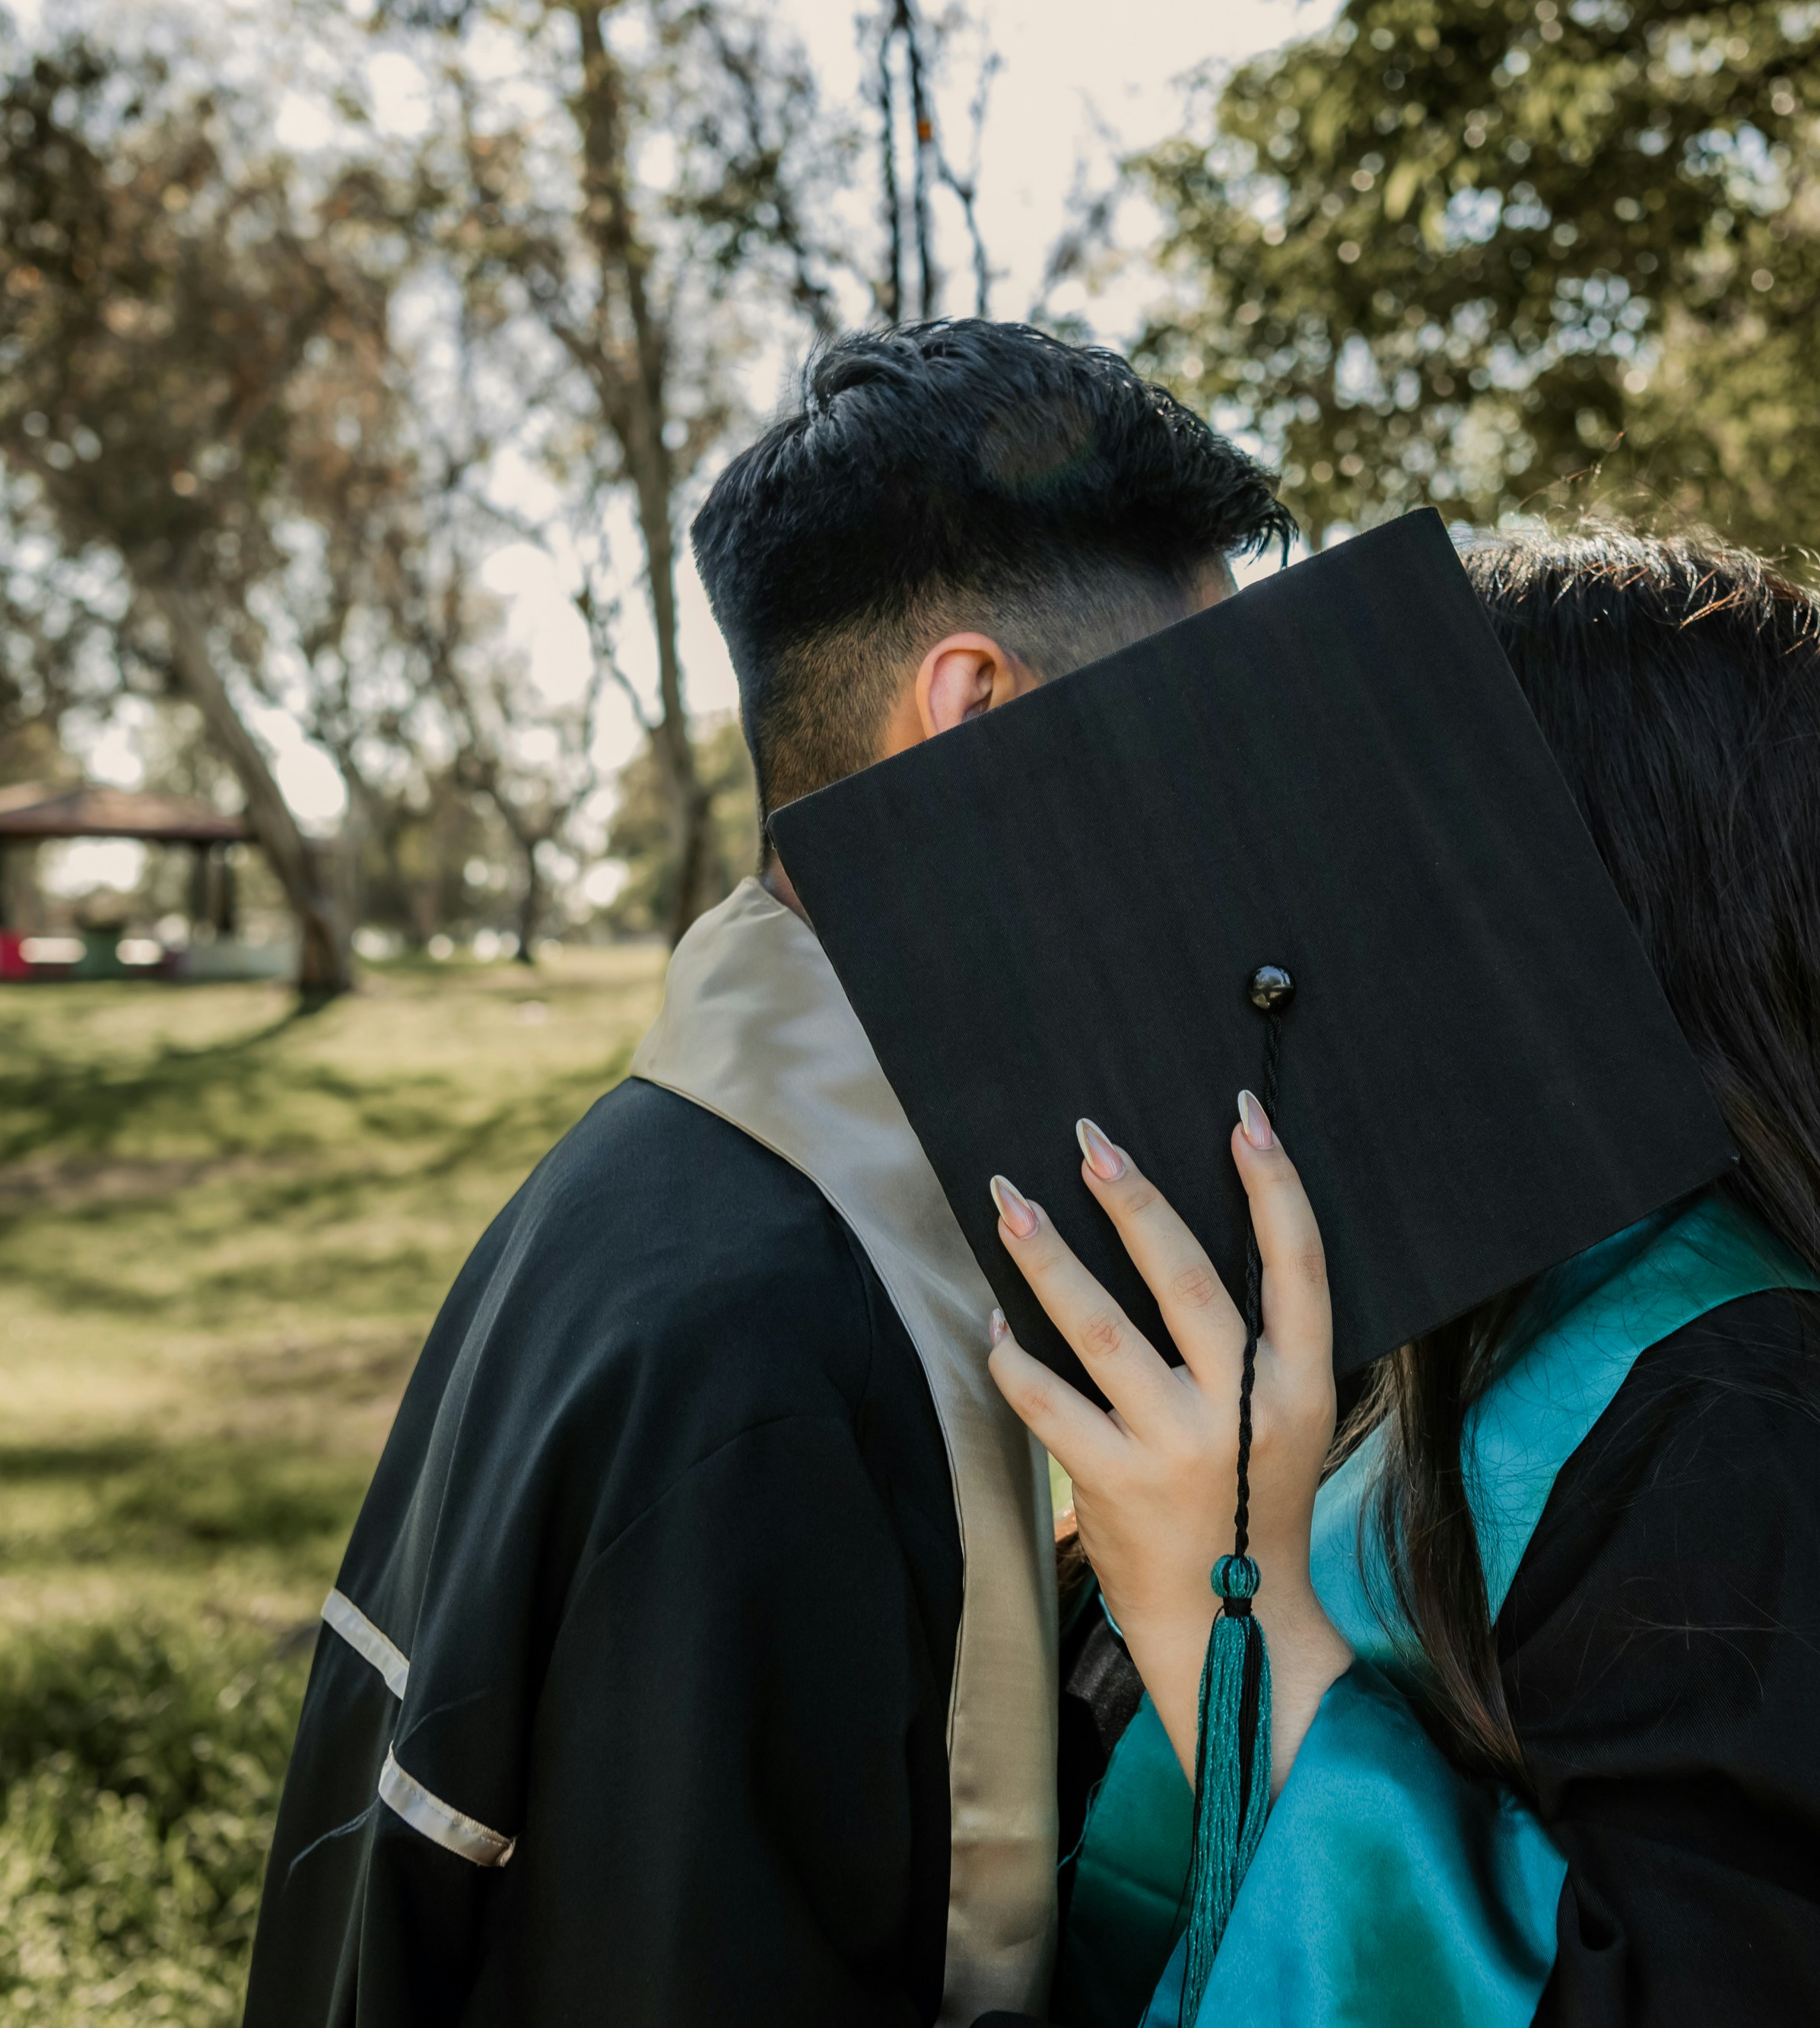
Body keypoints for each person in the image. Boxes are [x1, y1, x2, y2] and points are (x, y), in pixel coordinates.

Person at [239, 321, 1292, 2028]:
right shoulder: (776, 1347)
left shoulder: (655, 1175)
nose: (1233, 805)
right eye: (1201, 719)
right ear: (974, 712)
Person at [992, 528, 1820, 2027]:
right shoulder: (1433, 1317)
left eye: (1384, 853)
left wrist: (1229, 1623)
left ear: (1578, 907)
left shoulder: (1758, 1441)